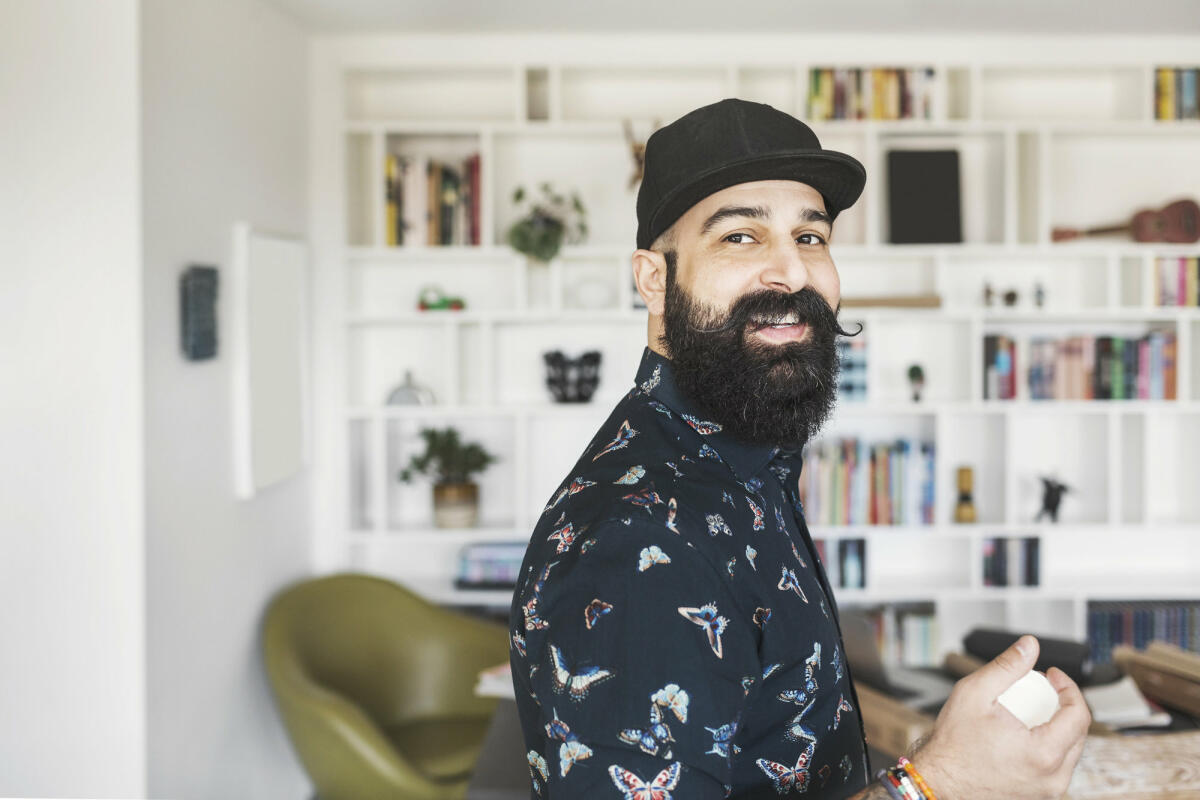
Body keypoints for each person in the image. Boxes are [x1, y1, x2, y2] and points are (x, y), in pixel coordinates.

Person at [507, 98, 1091, 799]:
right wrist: (938, 784)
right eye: (740, 238)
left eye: (810, 238)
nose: (792, 272)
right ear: (655, 279)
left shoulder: (748, 467)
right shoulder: (636, 541)